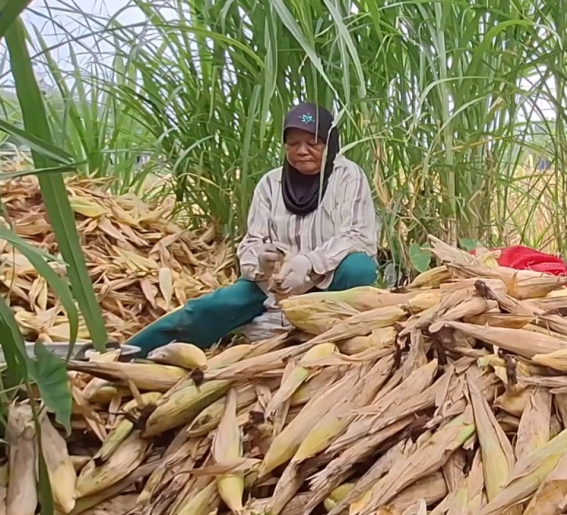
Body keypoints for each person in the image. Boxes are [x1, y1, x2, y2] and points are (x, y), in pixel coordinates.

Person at [127, 102, 379, 355]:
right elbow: (252, 241)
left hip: (328, 282)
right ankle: (127, 351)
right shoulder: (270, 183)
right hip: (273, 286)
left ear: (330, 143)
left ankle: (338, 332)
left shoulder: (347, 177)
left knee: (359, 267)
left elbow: (358, 236)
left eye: (313, 143)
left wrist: (307, 264)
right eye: (292, 143)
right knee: (209, 309)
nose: (302, 151)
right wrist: (263, 265)